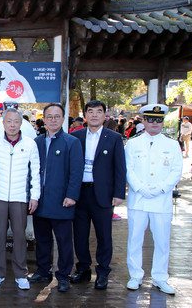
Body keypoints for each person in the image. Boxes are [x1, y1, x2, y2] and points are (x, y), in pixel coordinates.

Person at [125, 104, 182, 295]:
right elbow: (128, 169)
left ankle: (160, 277)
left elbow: (176, 170)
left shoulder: (172, 144)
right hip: (138, 199)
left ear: (162, 122)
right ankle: (135, 275)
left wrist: (161, 188)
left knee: (162, 241)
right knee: (135, 239)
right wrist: (140, 188)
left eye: (158, 120)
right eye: (151, 119)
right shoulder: (133, 143)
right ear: (144, 121)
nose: (155, 123)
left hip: (161, 199)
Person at [70, 100, 126, 290]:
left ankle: (102, 272)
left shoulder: (114, 138)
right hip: (80, 193)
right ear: (85, 115)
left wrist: (119, 193)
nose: (94, 115)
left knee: (104, 235)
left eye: (98, 112)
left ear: (104, 115)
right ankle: (83, 269)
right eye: (90, 111)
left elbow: (120, 168)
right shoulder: (75, 136)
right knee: (80, 234)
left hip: (102, 194)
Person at [0, 107, 41, 290]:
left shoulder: (31, 144)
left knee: (19, 236)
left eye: (16, 121)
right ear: (3, 123)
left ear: (21, 123)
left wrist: (35, 196)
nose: (13, 125)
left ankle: (21, 273)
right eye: (9, 121)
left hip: (20, 197)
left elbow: (36, 173)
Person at [31, 103, 83, 293]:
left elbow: (77, 172)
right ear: (44, 119)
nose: (53, 120)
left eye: (57, 116)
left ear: (63, 119)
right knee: (42, 239)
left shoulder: (71, 142)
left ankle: (63, 275)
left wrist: (72, 195)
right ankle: (43, 270)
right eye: (49, 117)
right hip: (40, 201)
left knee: (64, 241)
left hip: (62, 201)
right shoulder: (36, 142)